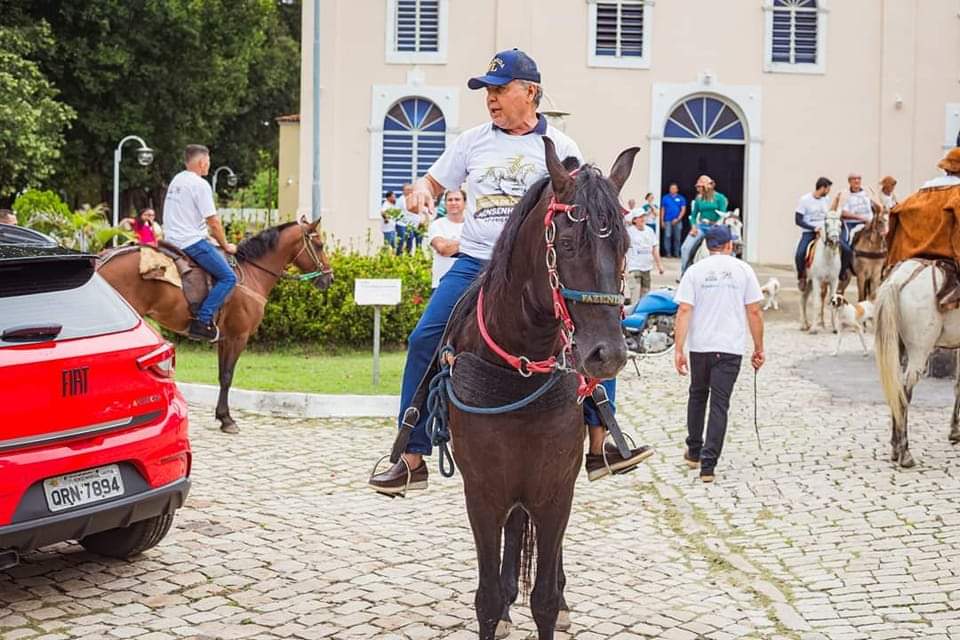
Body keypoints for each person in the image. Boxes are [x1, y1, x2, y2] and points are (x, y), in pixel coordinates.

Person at [368, 48, 652, 495]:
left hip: (537, 274)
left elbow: (582, 203)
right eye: (488, 91)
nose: (492, 99)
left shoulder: (563, 147)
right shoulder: (473, 141)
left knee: (595, 324)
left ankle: (603, 442)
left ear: (530, 92)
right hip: (478, 263)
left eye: (500, 90)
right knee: (424, 337)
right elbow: (433, 182)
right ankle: (410, 455)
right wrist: (420, 191)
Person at [673, 225, 765, 483]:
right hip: (729, 347)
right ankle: (708, 466)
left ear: (708, 245)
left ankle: (693, 451)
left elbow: (684, 310)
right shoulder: (744, 270)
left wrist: (679, 349)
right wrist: (759, 347)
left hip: (701, 346)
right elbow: (755, 311)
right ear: (729, 245)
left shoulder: (694, 271)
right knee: (719, 404)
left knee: (697, 395)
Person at [162, 144, 237, 342]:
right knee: (229, 277)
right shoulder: (200, 184)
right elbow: (213, 220)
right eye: (208, 163)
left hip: (170, 240)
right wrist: (226, 244)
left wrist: (205, 236)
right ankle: (203, 321)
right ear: (202, 162)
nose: (208, 166)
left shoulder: (177, 180)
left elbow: (185, 216)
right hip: (190, 242)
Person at [886, 148, 960, 308]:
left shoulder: (923, 191)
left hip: (915, 252)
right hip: (948, 253)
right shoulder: (957, 193)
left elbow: (898, 211)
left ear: (946, 168)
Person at [833, 172, 881, 279]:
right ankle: (843, 270)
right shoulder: (845, 194)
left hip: (869, 222)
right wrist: (861, 218)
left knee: (882, 240)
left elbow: (877, 206)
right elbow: (843, 213)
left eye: (859, 179)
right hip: (850, 224)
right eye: (854, 179)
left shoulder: (867, 192)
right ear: (849, 181)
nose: (857, 181)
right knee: (846, 247)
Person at [680, 175, 729, 274]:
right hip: (701, 226)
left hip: (715, 227)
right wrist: (693, 227)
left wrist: (716, 225)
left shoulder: (720, 198)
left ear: (708, 186)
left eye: (700, 187)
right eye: (697, 187)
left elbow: (722, 214)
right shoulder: (698, 199)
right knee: (685, 247)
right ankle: (684, 273)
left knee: (729, 248)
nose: (698, 189)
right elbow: (693, 215)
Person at [793, 177, 833, 291]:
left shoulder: (826, 199)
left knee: (842, 247)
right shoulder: (805, 200)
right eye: (828, 189)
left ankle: (839, 273)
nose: (828, 192)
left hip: (825, 231)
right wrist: (813, 228)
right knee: (800, 253)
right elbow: (798, 220)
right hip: (810, 231)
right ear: (823, 188)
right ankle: (801, 276)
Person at [625, 209, 663, 311]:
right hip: (634, 267)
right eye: (640, 217)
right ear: (634, 220)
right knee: (635, 294)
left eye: (643, 217)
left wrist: (659, 265)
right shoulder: (629, 232)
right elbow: (623, 250)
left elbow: (654, 249)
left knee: (646, 295)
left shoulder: (650, 231)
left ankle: (643, 316)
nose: (642, 219)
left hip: (647, 267)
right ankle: (633, 317)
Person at [428, 190, 466, 289]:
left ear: (465, 203)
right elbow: (443, 249)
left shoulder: (472, 225)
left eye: (457, 199)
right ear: (445, 204)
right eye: (450, 200)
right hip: (441, 284)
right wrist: (469, 242)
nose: (453, 203)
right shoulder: (437, 225)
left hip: (468, 284)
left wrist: (450, 243)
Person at [660, 183, 687, 258]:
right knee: (667, 236)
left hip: (677, 221)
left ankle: (677, 253)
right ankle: (668, 253)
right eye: (671, 188)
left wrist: (678, 218)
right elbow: (662, 209)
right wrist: (662, 220)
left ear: (677, 189)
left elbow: (683, 210)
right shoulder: (665, 198)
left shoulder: (681, 198)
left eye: (674, 188)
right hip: (667, 220)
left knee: (677, 238)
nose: (672, 189)